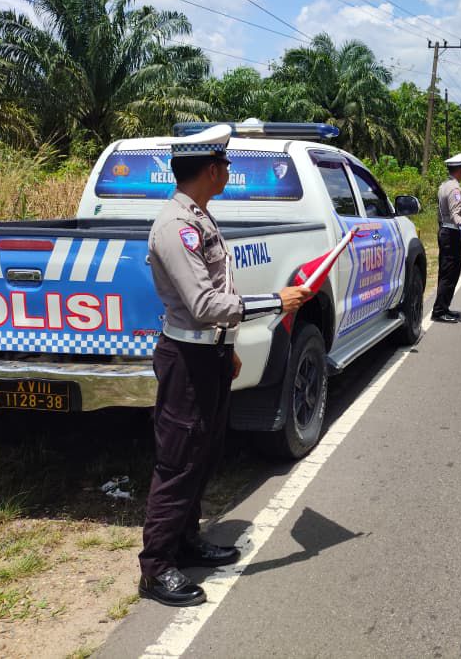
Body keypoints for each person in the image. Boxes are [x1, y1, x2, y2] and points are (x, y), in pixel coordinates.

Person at [139, 124, 315, 607]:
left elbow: (220, 296)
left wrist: (228, 345)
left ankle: (186, 541)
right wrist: (277, 301)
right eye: (225, 163)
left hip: (211, 353)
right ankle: (156, 568)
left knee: (204, 453)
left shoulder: (199, 217)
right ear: (211, 170)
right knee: (178, 461)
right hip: (187, 359)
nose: (228, 170)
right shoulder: (176, 227)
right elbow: (204, 304)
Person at [432, 152, 461, 323]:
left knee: (447, 272)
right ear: (460, 170)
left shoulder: (444, 185)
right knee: (449, 274)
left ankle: (443, 308)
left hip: (446, 232)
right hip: (451, 235)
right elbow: (455, 215)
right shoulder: (455, 190)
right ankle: (439, 311)